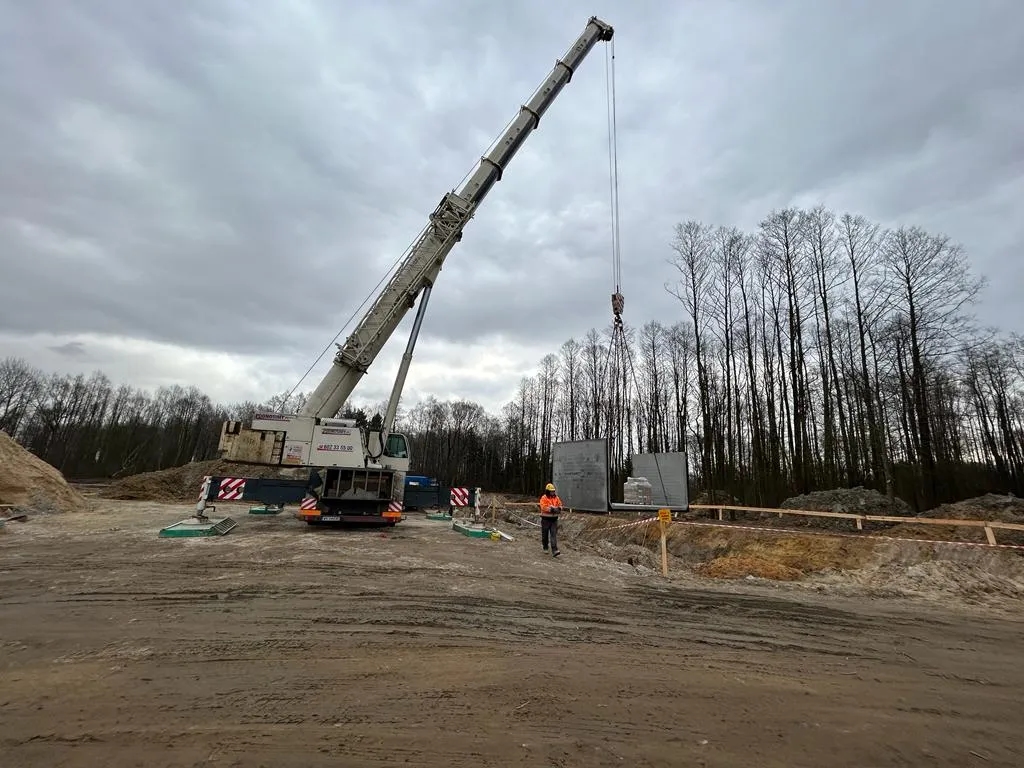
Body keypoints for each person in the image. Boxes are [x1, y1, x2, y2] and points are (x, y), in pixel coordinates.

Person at [538, 482, 562, 557]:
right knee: (545, 535)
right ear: (548, 491)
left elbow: (560, 504)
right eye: (551, 491)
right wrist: (551, 509)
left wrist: (559, 508)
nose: (553, 492)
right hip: (545, 519)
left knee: (553, 535)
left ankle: (554, 550)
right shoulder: (544, 498)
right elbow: (543, 507)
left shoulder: (556, 498)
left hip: (554, 519)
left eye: (553, 491)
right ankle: (545, 546)